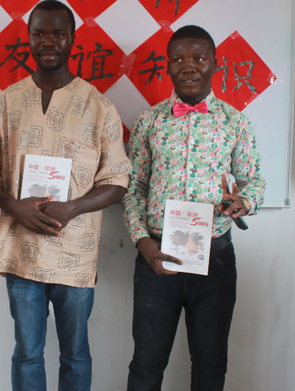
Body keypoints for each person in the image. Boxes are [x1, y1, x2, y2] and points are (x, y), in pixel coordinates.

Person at [0, 0, 130, 391]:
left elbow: (117, 180)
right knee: (27, 353)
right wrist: (13, 206)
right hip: (21, 251)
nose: (48, 41)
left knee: (75, 354)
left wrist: (73, 207)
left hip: (75, 252)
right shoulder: (5, 102)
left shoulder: (99, 107)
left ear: (72, 39)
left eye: (58, 33)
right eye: (39, 33)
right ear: (28, 38)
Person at [122, 25, 265, 390]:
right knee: (145, 366)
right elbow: (133, 188)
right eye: (179, 59)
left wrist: (244, 201)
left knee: (210, 366)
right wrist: (142, 241)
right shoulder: (148, 122)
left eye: (199, 58)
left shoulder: (235, 122)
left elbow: (254, 180)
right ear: (168, 66)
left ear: (214, 64)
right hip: (156, 257)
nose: (188, 66)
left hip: (215, 260)